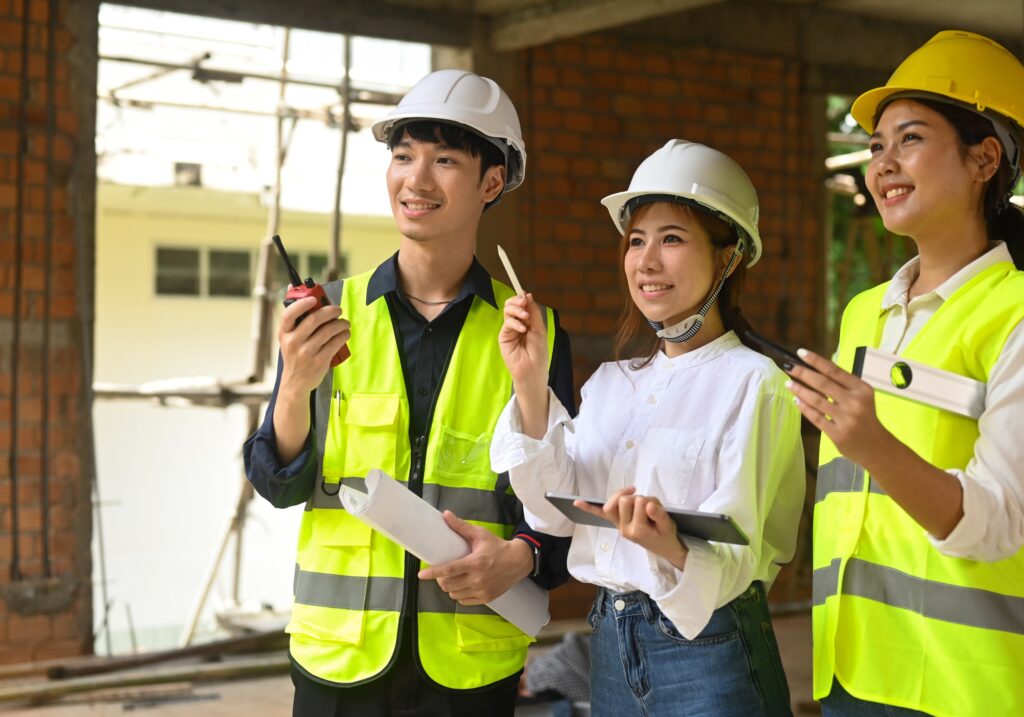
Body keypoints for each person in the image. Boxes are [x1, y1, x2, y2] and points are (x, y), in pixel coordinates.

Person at [243, 69, 576, 717]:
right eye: (403, 156)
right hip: (339, 660)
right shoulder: (332, 314)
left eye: (444, 160)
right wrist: (295, 388)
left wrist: (521, 557)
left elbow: (561, 506)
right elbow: (278, 483)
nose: (415, 180)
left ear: (491, 181)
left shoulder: (533, 332)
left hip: (469, 662)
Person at [491, 139, 805, 716]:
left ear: (729, 257)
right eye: (636, 240)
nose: (646, 261)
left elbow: (744, 551)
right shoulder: (612, 383)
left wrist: (669, 547)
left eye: (672, 239)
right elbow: (551, 512)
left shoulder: (755, 382)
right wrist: (529, 384)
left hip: (711, 649)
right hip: (610, 644)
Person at [783, 31, 1024, 717]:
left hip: (966, 689)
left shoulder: (1015, 315)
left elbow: (1000, 520)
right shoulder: (866, 313)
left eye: (910, 139)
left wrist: (873, 442)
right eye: (876, 145)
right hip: (849, 669)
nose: (883, 163)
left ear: (985, 159)